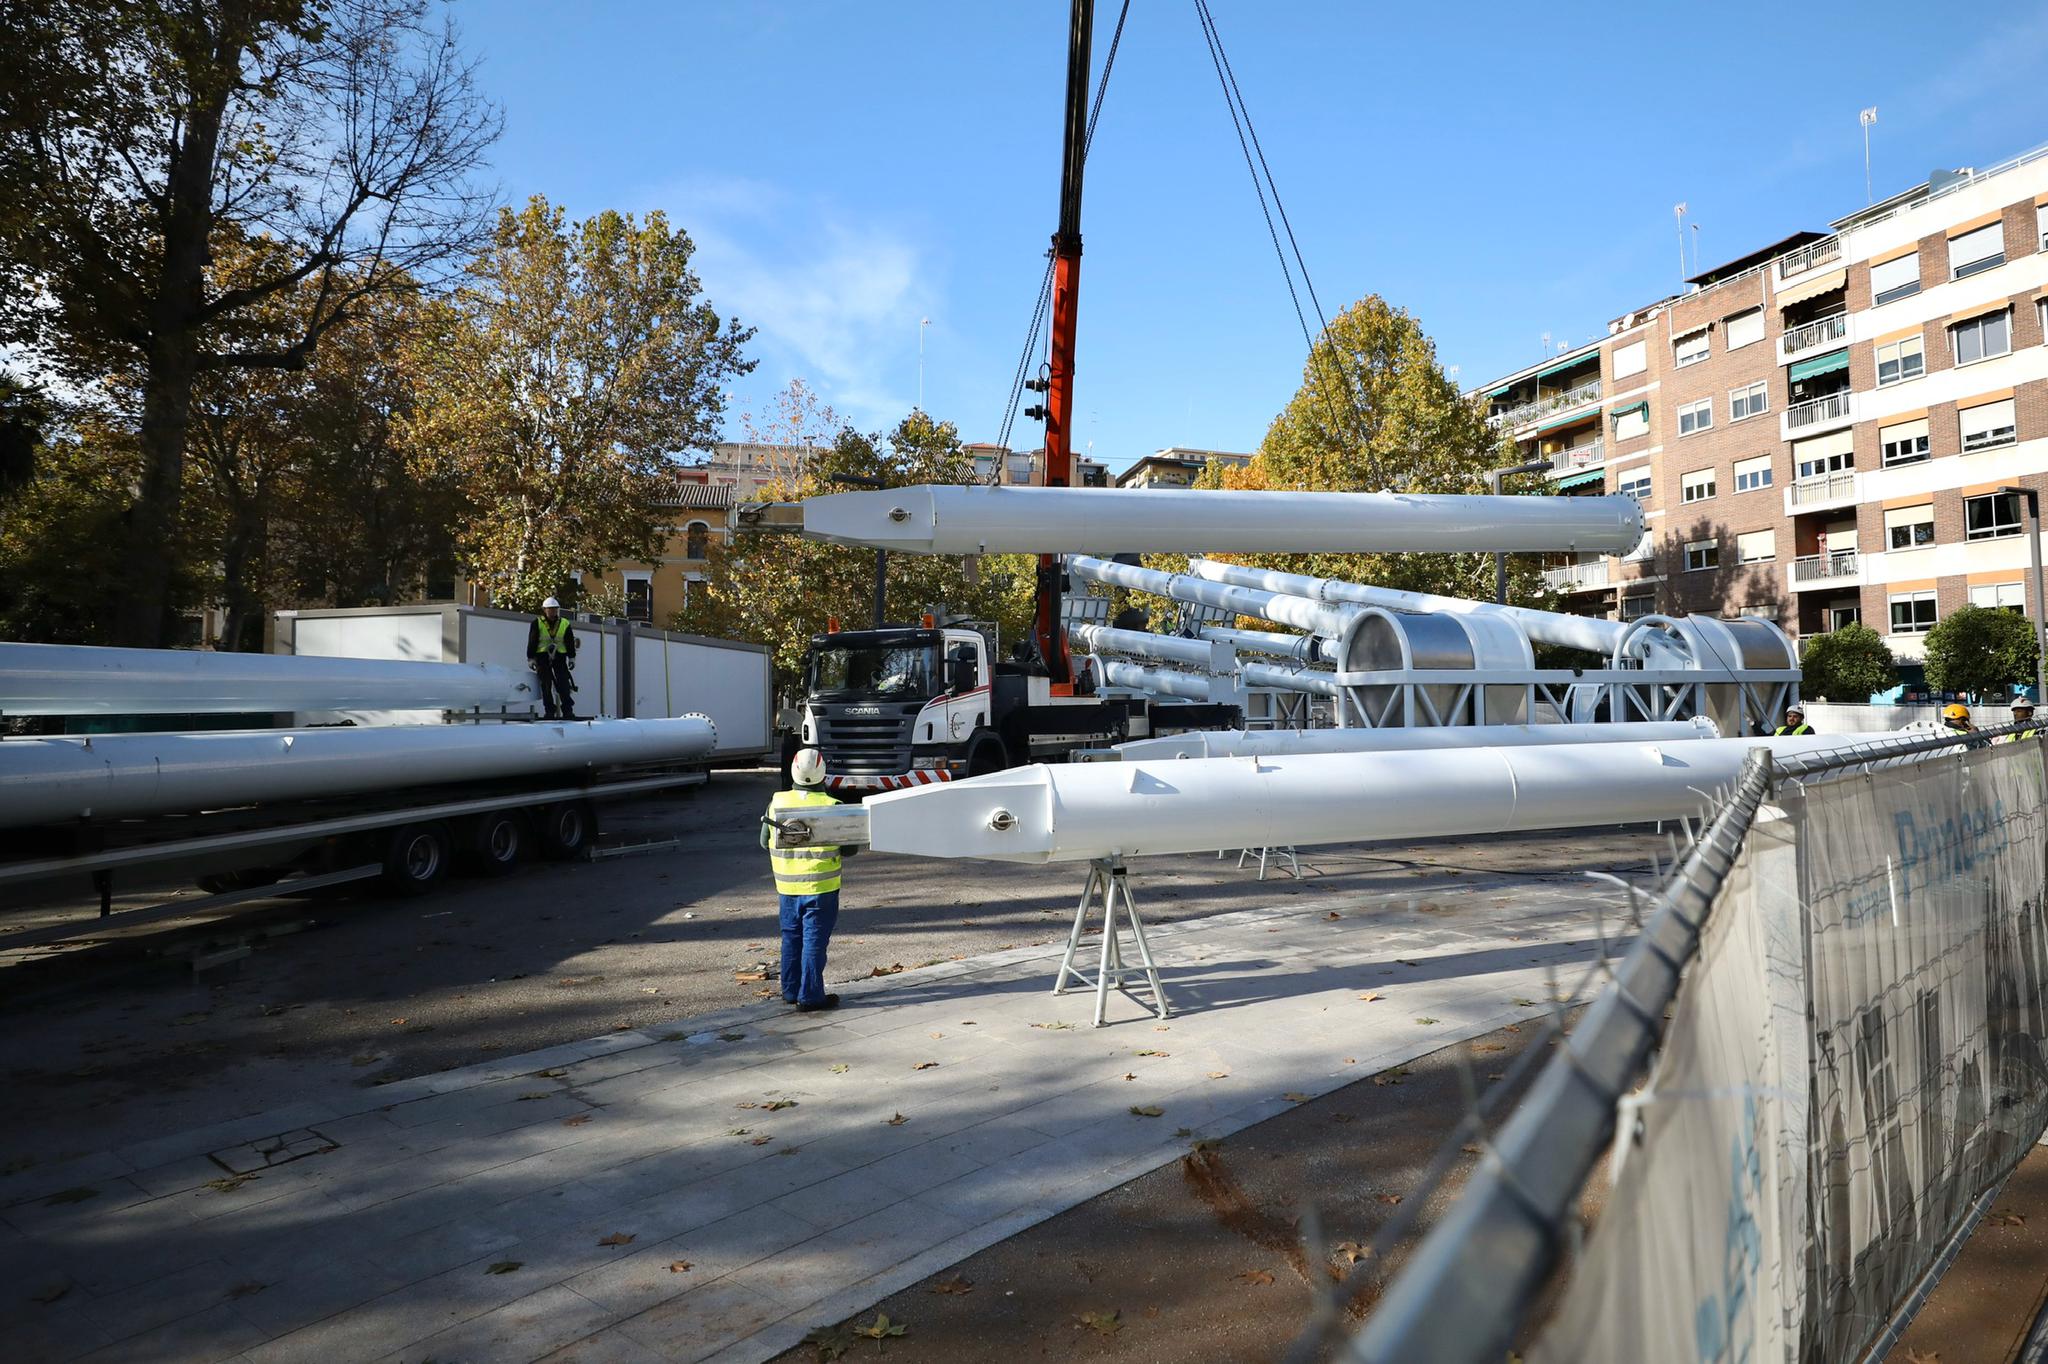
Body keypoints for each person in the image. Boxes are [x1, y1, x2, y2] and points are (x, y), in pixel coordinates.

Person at [759, 747, 857, 1012]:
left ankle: (790, 991)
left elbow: (762, 842)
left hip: (787, 888)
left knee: (791, 938)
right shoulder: (833, 806)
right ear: (823, 773)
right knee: (814, 941)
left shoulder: (777, 802)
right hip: (821, 889)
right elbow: (849, 848)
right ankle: (811, 996)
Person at [526, 597, 578, 720]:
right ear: (544, 610)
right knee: (546, 685)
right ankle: (549, 710)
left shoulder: (564, 623)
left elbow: (569, 641)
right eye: (550, 609)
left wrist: (572, 657)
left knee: (563, 684)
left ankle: (568, 710)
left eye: (555, 609)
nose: (553, 611)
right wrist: (531, 658)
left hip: (559, 656)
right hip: (542, 657)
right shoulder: (537, 623)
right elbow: (532, 641)